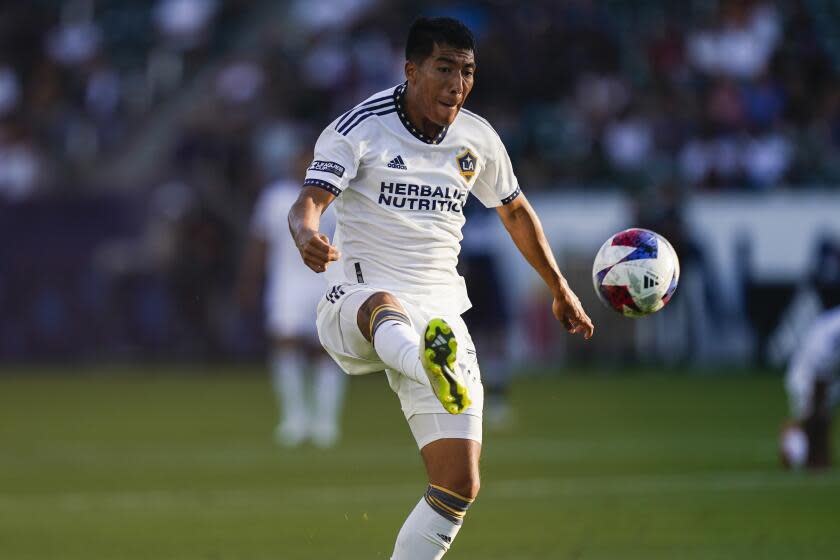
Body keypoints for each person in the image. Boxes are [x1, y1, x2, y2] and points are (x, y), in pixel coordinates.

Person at [288, 17, 593, 559]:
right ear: (411, 70)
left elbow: (515, 211)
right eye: (444, 68)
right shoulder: (358, 128)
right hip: (357, 298)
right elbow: (308, 201)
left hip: (440, 315)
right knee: (385, 307)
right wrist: (308, 234)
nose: (457, 83)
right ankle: (425, 362)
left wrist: (559, 287)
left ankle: (431, 359)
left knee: (458, 484)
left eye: (468, 71)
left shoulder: (477, 138)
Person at [238, 178, 346, 448]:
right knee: (285, 343)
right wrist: (250, 279)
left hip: (328, 280)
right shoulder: (275, 196)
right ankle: (294, 419)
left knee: (327, 349)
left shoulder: (339, 194)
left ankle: (325, 422)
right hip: (287, 282)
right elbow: (260, 240)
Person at [781, 305, 840, 469]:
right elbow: (818, 372)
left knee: (820, 414)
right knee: (815, 415)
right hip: (806, 374)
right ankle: (795, 441)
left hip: (830, 373)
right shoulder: (832, 332)